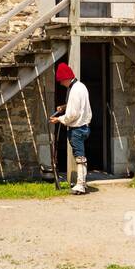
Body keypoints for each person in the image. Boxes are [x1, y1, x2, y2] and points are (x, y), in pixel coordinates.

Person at [49, 62, 92, 194]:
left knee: (79, 158)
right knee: (80, 156)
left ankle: (80, 185)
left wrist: (59, 119)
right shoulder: (81, 86)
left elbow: (73, 114)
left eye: (61, 81)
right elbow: (77, 106)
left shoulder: (73, 90)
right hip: (85, 126)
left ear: (66, 78)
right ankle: (81, 183)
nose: (61, 84)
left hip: (77, 128)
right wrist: (64, 106)